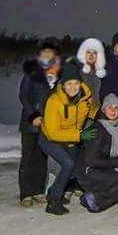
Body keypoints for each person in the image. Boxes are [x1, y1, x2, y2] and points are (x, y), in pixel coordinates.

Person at [39, 73, 99, 215]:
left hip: (70, 137)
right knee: (68, 163)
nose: (73, 87)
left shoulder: (85, 97)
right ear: (63, 85)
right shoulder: (54, 101)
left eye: (76, 83)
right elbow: (53, 132)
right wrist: (79, 135)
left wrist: (97, 115)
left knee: (77, 163)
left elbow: (90, 108)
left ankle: (55, 190)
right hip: (49, 138)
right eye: (69, 84)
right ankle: (53, 201)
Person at [17, 38, 60, 207]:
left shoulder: (56, 73)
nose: (48, 54)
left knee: (42, 158)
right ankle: (26, 193)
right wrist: (33, 115)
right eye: (45, 51)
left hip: (47, 123)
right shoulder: (32, 72)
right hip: (30, 122)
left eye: (51, 51)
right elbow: (23, 96)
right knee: (28, 157)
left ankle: (38, 191)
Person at [75, 93, 118, 212]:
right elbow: (92, 161)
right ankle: (94, 200)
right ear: (104, 110)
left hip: (105, 167)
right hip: (88, 170)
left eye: (116, 108)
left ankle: (97, 193)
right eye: (109, 107)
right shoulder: (98, 130)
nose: (113, 110)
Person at [69, 37, 106, 104]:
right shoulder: (76, 72)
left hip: (95, 111)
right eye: (88, 52)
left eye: (94, 53)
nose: (91, 55)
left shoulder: (100, 75)